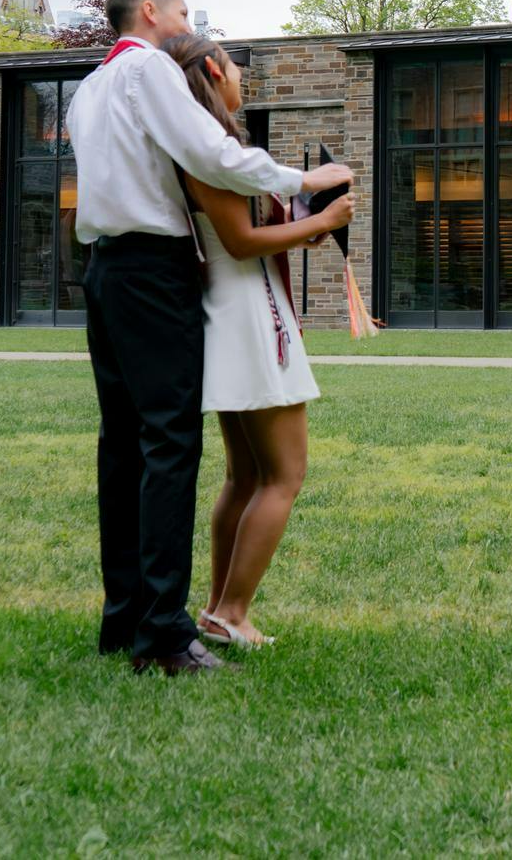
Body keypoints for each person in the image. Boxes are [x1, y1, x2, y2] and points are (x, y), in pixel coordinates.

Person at [65, 0, 352, 675]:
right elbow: (212, 154)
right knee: (170, 446)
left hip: (103, 270)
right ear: (152, 11)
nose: (187, 26)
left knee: (123, 449)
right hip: (154, 270)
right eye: (183, 12)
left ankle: (124, 617)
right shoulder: (146, 69)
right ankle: (165, 634)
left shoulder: (87, 89)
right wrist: (307, 183)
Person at [158, 32, 353, 649]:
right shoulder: (208, 150)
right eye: (237, 67)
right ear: (215, 70)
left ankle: (219, 609)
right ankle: (232, 611)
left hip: (237, 309)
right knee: (283, 475)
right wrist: (320, 220)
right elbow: (239, 242)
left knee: (245, 477)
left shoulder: (209, 148)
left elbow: (247, 231)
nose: (242, 78)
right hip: (249, 316)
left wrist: (303, 226)